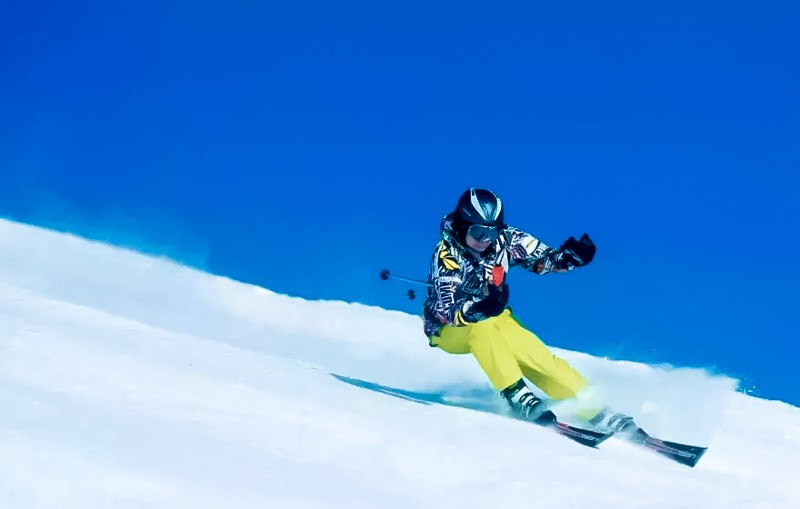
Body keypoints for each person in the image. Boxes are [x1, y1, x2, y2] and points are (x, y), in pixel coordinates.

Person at [423, 188, 631, 431]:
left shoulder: (506, 239)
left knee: (539, 358)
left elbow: (541, 260)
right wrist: (479, 308)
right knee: (482, 329)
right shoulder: (447, 254)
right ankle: (517, 395)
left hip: (496, 316)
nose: (484, 239)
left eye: (491, 231)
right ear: (462, 225)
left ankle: (595, 408)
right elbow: (446, 309)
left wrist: (569, 259)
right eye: (477, 231)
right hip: (449, 329)